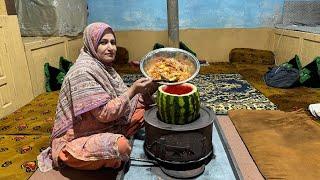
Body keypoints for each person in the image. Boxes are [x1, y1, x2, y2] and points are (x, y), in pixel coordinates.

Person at [37, 22, 158, 172]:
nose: (111, 47)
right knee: (120, 147)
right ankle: (66, 155)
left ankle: (115, 136)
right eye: (103, 42)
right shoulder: (83, 72)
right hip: (79, 134)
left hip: (106, 123)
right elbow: (104, 113)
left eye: (113, 43)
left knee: (147, 108)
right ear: (92, 44)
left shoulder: (105, 68)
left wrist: (149, 89)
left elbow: (122, 98)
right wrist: (132, 90)